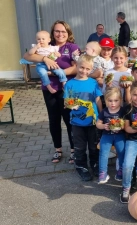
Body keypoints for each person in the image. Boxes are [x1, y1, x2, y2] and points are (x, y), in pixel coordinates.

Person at [23, 20, 78, 164]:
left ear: (68, 33)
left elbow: (77, 67)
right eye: (57, 31)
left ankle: (74, 150)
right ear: (53, 33)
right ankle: (58, 150)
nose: (60, 34)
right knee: (54, 119)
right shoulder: (45, 45)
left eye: (63, 31)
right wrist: (44, 58)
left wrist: (56, 73)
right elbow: (27, 56)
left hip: (67, 88)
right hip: (49, 88)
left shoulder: (72, 47)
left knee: (69, 120)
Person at [63, 55, 103, 181]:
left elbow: (97, 99)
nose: (84, 71)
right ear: (76, 65)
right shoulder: (70, 84)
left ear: (91, 69)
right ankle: (81, 166)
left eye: (87, 69)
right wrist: (70, 105)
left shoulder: (93, 82)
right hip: (77, 122)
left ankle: (95, 164)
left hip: (93, 121)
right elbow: (66, 101)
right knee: (79, 146)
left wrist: (101, 115)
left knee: (94, 145)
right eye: (81, 67)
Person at [96, 87, 125, 184]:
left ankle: (121, 171)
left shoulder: (123, 111)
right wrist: (104, 126)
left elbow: (127, 124)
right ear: (105, 100)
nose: (113, 103)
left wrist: (122, 126)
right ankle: (102, 173)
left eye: (116, 101)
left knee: (121, 152)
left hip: (120, 135)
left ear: (120, 100)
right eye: (110, 101)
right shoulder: (104, 111)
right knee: (103, 153)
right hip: (107, 135)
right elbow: (98, 124)